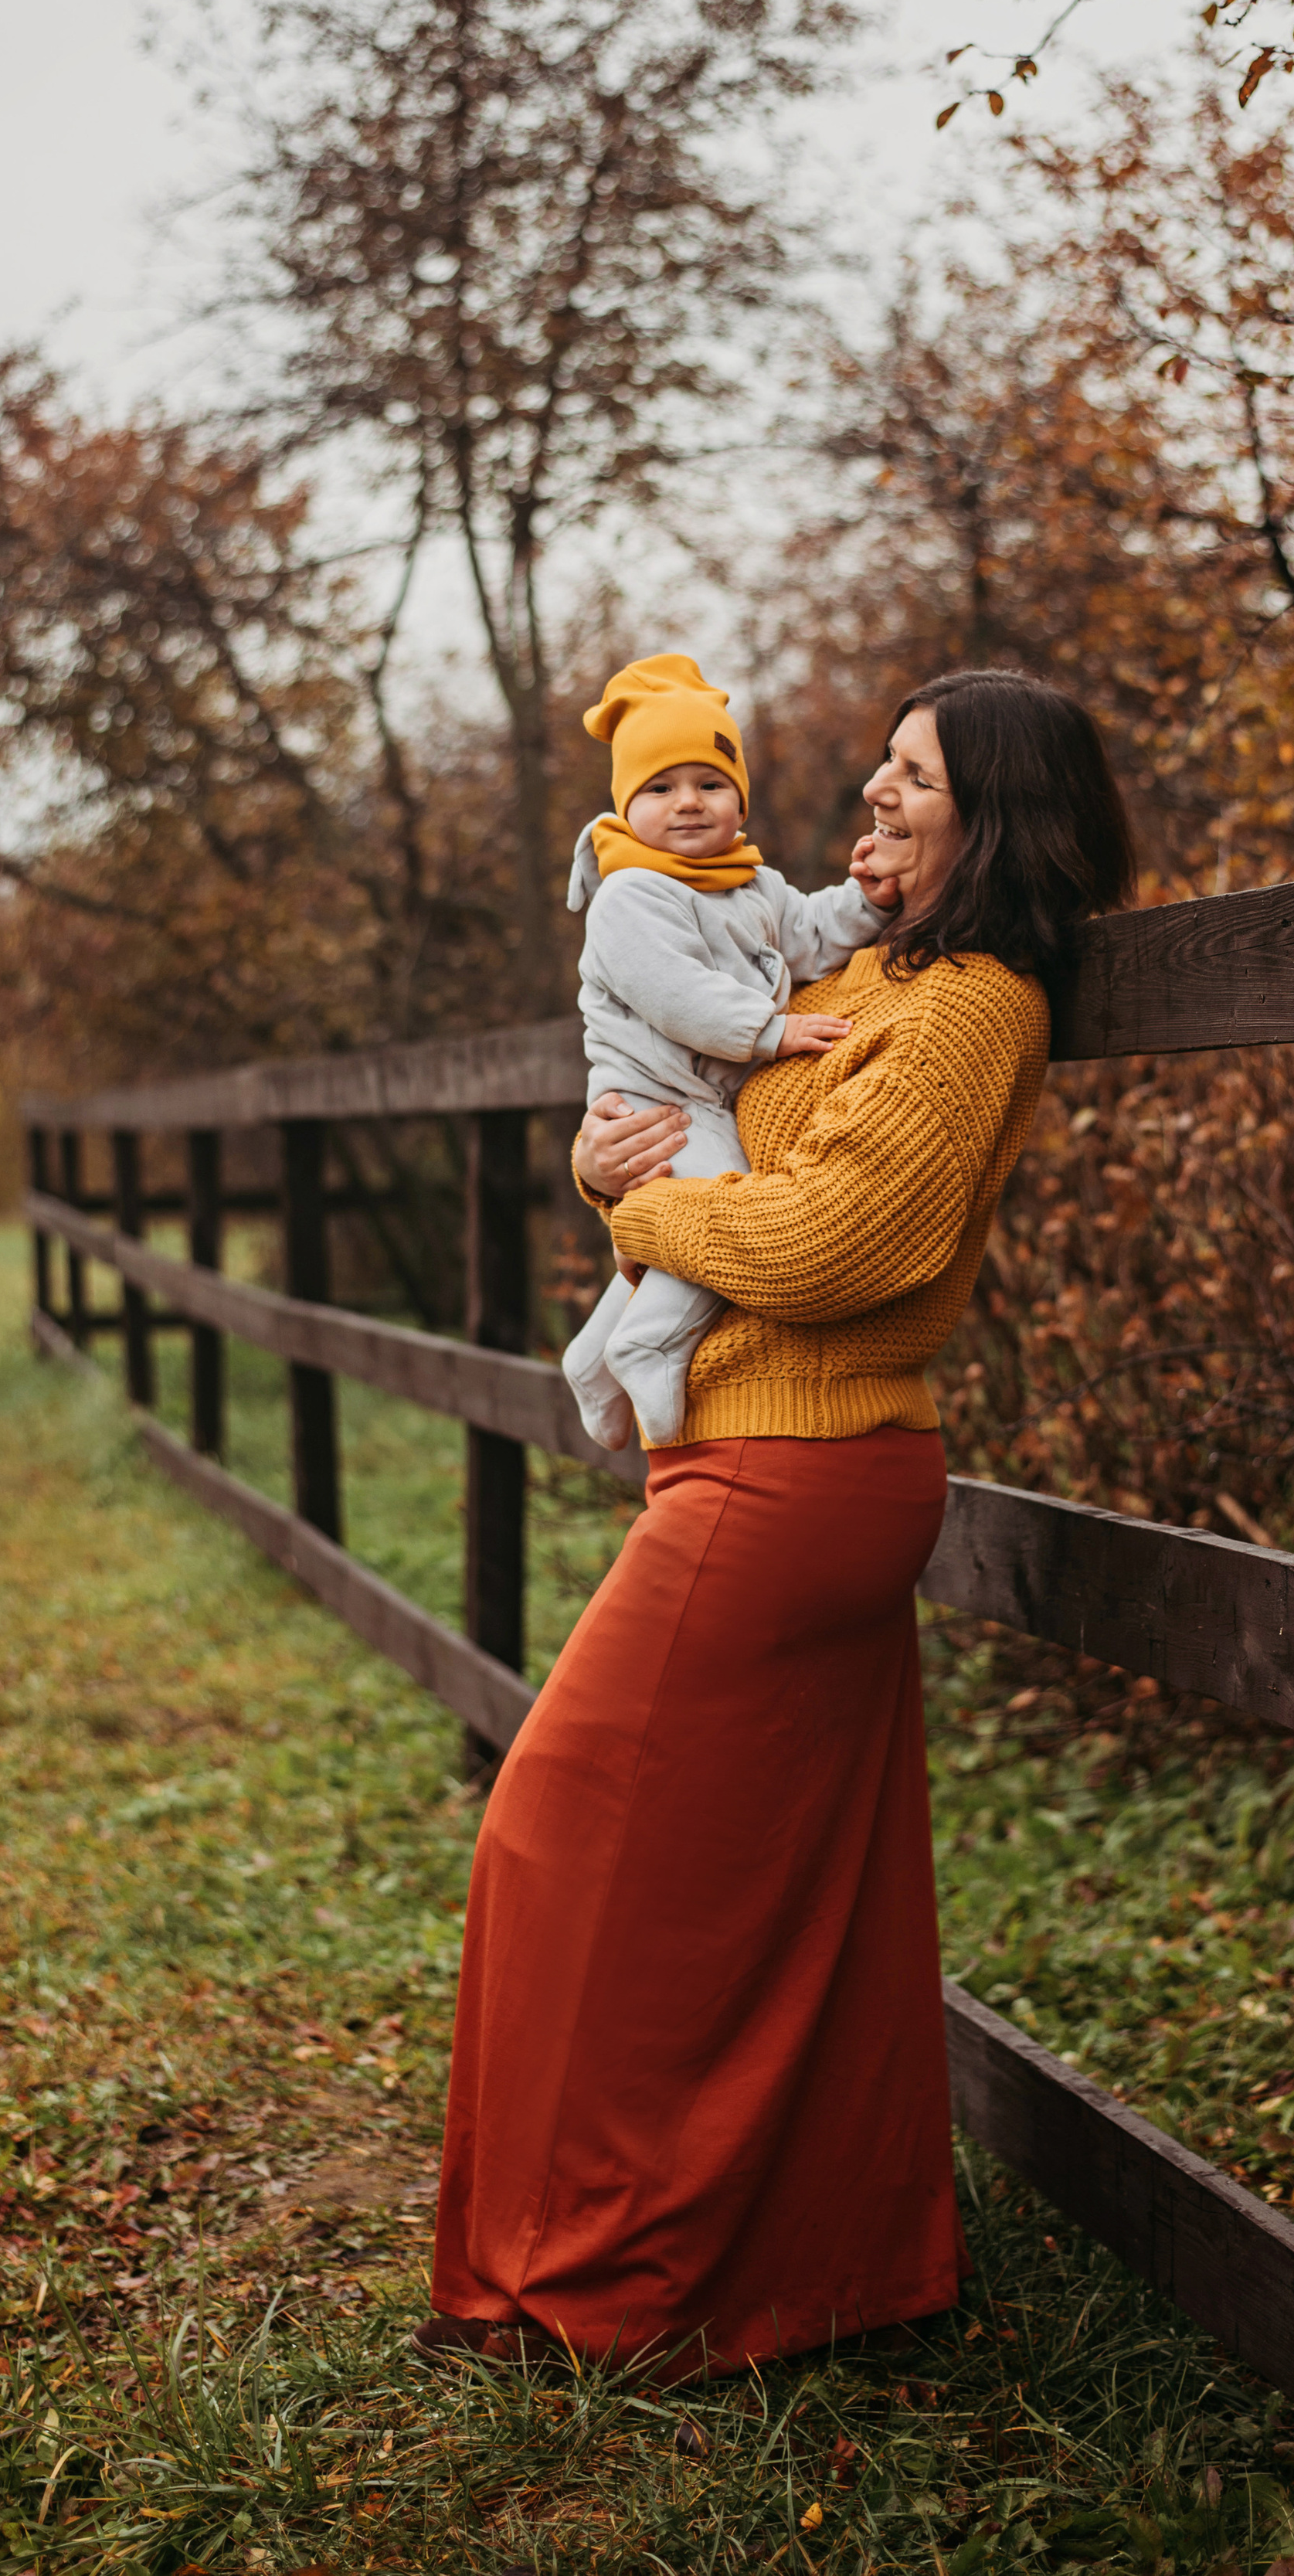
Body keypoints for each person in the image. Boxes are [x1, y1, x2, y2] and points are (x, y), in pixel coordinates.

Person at [423, 668, 1136, 2378]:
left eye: (914, 780)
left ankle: (584, 2284)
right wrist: (625, 1174)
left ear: (995, 823)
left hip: (801, 1480)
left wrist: (644, 1196)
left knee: (557, 1835)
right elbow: (673, 1062)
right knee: (795, 1900)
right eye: (880, 768)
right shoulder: (847, 963)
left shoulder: (972, 1009)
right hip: (750, 1459)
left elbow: (839, 1250)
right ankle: (821, 2274)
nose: (870, 797)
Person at [559, 651, 898, 1450]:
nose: (687, 804)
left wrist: (869, 901)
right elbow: (673, 992)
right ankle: (649, 1343)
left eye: (710, 784)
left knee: (687, 1221)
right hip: (652, 1096)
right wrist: (771, 1032)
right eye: (660, 787)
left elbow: (812, 934)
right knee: (717, 1209)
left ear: (738, 799)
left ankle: (593, 1357)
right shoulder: (629, 895)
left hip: (702, 1098)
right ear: (625, 803)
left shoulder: (752, 884)